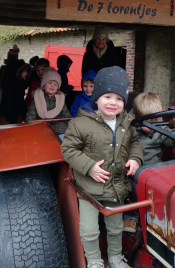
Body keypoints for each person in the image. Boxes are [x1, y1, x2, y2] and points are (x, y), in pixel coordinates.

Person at [61, 66, 143, 268]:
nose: (113, 103)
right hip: (89, 188)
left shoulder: (127, 123)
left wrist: (135, 159)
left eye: (119, 99)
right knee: (89, 230)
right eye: (107, 96)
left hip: (116, 186)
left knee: (115, 227)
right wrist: (89, 167)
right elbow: (69, 149)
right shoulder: (80, 123)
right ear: (96, 98)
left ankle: (115, 257)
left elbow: (135, 144)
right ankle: (95, 261)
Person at [122, 92, 175, 233]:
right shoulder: (129, 131)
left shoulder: (159, 129)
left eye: (157, 120)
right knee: (132, 191)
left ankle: (163, 216)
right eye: (149, 122)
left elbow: (172, 141)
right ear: (136, 118)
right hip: (135, 171)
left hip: (155, 169)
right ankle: (131, 217)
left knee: (167, 187)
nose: (154, 126)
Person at [25, 67, 71, 139]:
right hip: (42, 128)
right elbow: (31, 114)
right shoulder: (37, 98)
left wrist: (72, 127)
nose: (53, 86)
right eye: (50, 83)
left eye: (56, 85)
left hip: (60, 130)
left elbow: (67, 116)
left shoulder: (61, 99)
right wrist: (30, 125)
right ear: (43, 85)